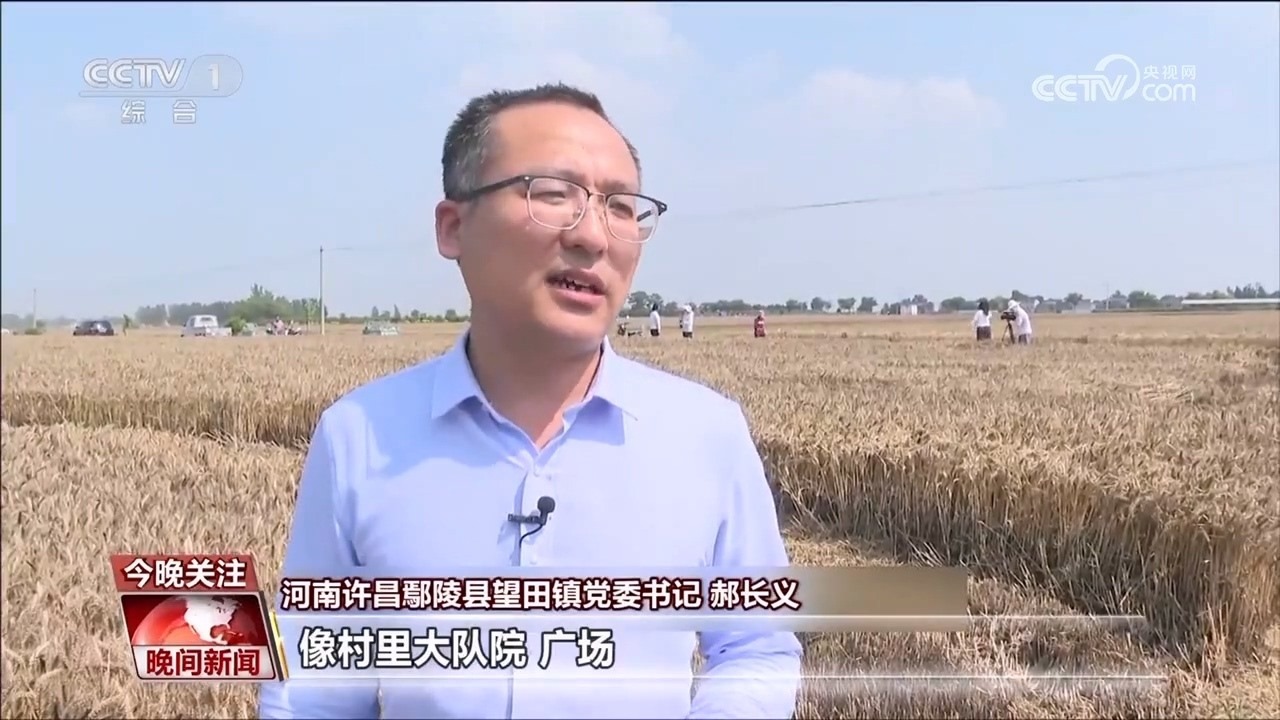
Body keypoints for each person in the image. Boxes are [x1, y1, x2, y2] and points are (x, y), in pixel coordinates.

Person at [258, 83, 802, 720]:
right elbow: (315, 684)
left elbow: (755, 647)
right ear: (453, 227)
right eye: (552, 194)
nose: (594, 236)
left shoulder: (706, 434)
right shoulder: (358, 436)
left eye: (622, 206)